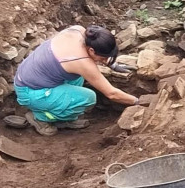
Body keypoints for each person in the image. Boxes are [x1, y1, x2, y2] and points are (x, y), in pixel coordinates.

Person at [11, 24, 142, 136]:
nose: (103, 62)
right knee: (89, 97)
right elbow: (112, 94)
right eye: (103, 58)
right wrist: (138, 101)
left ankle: (59, 110)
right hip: (32, 92)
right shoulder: (81, 61)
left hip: (30, 77)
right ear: (91, 50)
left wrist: (112, 64)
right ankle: (42, 118)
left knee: (79, 77)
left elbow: (91, 56)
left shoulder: (79, 31)